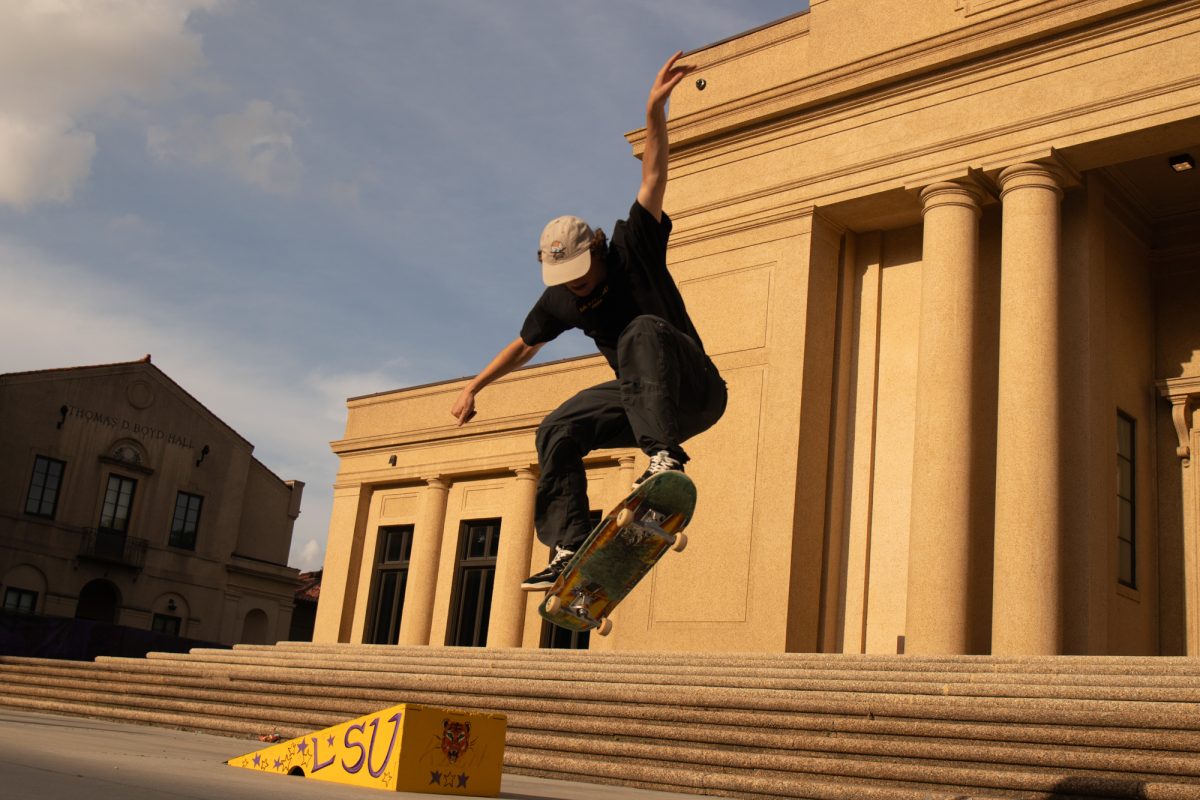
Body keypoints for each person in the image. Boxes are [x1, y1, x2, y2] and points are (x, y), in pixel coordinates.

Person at [450, 52, 727, 591]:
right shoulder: (561, 298)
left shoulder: (633, 247)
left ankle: (663, 459)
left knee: (639, 331)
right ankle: (570, 543)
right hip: (640, 400)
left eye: (581, 272)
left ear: (597, 248)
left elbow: (655, 172)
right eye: (564, 277)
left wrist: (654, 110)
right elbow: (524, 345)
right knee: (557, 427)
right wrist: (474, 385)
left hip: (695, 388)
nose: (576, 284)